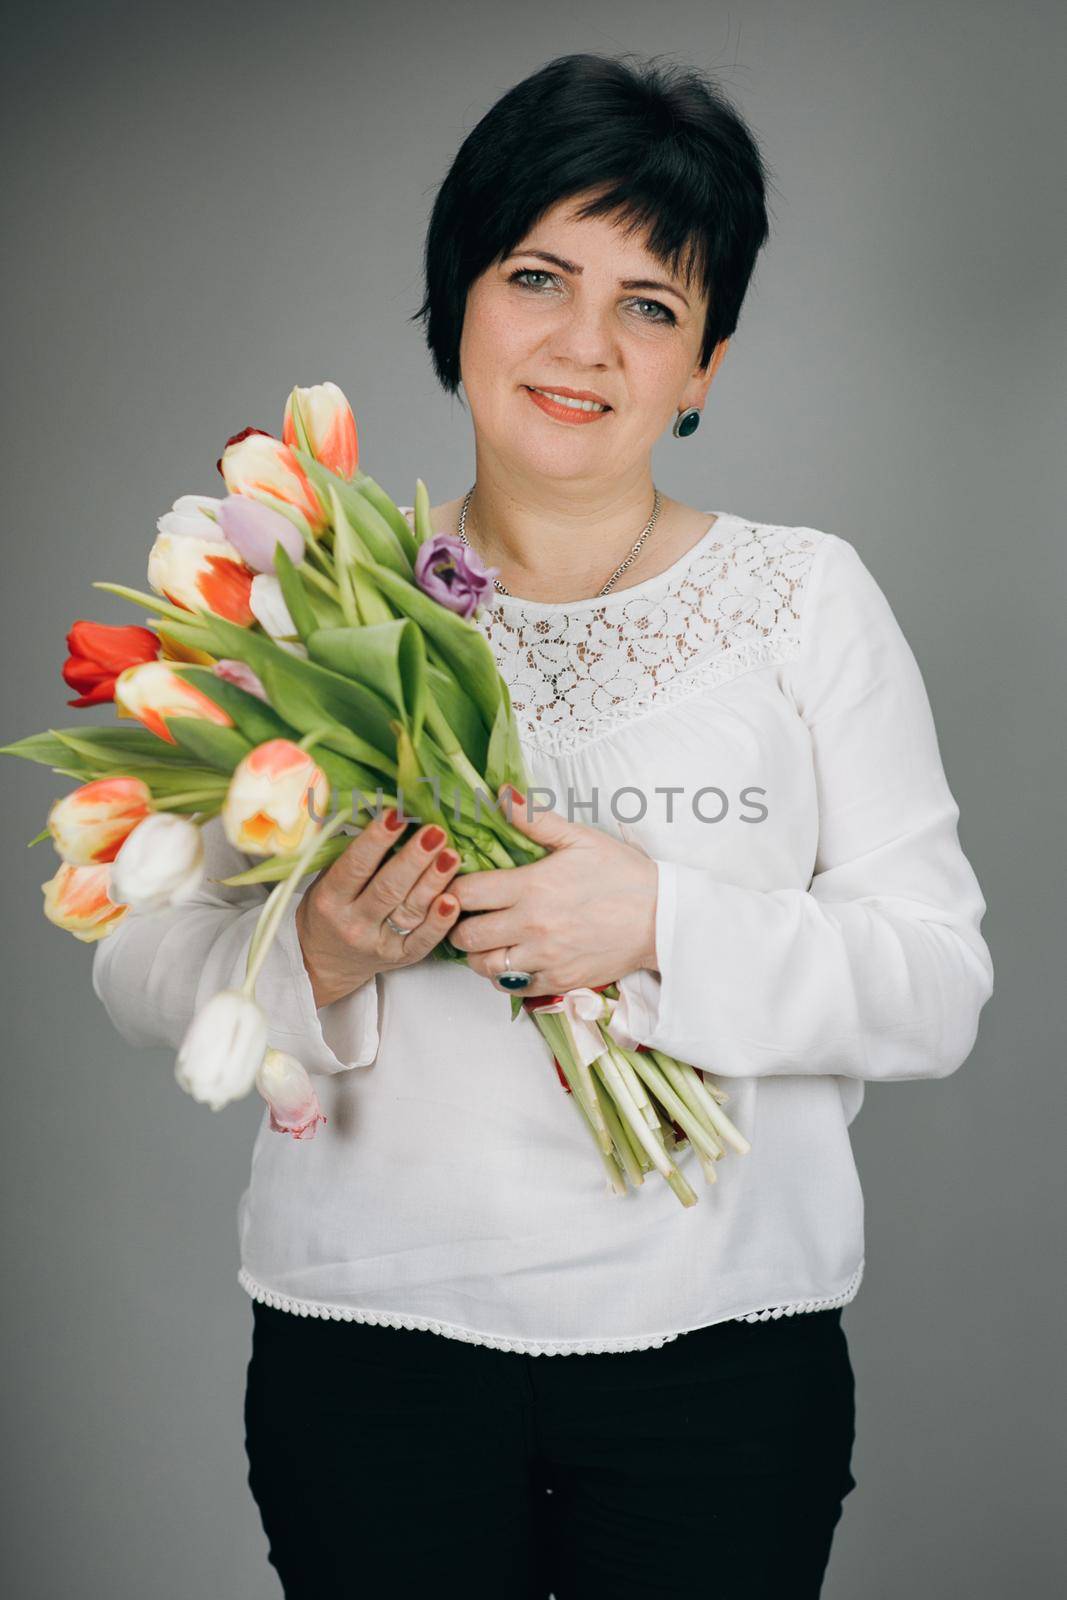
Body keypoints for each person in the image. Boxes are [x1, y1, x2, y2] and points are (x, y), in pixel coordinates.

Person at [91, 51, 995, 1599]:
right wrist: (312, 948)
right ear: (458, 300)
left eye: (652, 303)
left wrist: (658, 923)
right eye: (537, 276)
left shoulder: (805, 598)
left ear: (705, 363)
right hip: (371, 1345)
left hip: (724, 1354)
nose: (586, 344)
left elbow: (936, 986)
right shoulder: (312, 607)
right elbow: (136, 965)